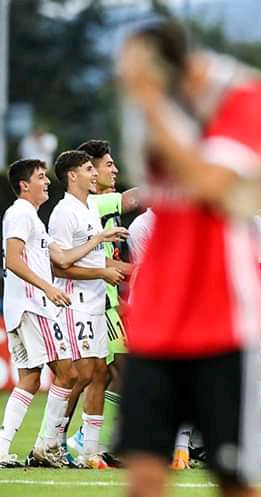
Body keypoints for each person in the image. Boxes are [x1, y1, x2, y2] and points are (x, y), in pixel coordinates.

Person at [116, 19, 261, 497]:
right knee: (143, 478)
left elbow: (211, 184)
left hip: (224, 318)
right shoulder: (153, 107)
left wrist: (151, 101)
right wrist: (153, 104)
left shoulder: (245, 96)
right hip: (155, 317)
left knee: (234, 482)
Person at [0, 159, 124, 468]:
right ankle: (47, 445)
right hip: (34, 305)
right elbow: (13, 260)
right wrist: (48, 288)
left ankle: (6, 448)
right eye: (40, 177)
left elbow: (61, 256)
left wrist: (98, 239)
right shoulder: (20, 214)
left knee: (31, 379)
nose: (46, 182)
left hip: (27, 306)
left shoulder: (32, 217)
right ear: (24, 185)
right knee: (69, 373)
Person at [57, 139, 141, 465]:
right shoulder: (96, 203)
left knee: (98, 376)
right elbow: (136, 198)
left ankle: (73, 438)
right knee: (97, 375)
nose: (114, 170)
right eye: (107, 165)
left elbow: (105, 259)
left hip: (105, 302)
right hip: (92, 303)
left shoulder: (94, 208)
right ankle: (63, 438)